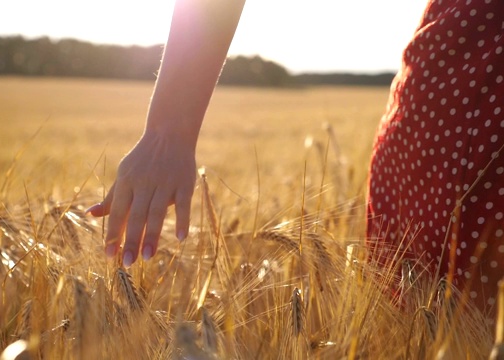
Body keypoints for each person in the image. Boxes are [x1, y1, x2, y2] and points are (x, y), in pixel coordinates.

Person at [87, 0, 504, 313]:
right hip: (471, 113)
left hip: (461, 108)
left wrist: (169, 131)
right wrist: (166, 132)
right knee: (444, 324)